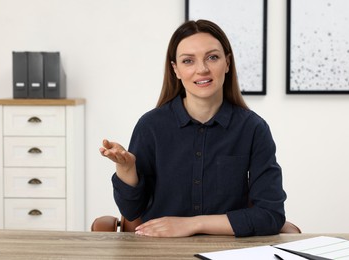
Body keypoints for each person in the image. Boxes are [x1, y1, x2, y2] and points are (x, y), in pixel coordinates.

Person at [99, 19, 286, 237]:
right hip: (160, 250)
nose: (202, 69)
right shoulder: (150, 126)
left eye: (212, 57)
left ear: (227, 62)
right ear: (175, 69)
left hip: (227, 251)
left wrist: (192, 224)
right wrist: (127, 169)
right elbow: (132, 211)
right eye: (188, 61)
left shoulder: (253, 129)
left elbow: (271, 215)